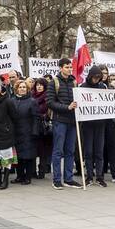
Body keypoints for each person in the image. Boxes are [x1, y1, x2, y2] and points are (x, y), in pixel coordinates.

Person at [47, 58, 80, 190]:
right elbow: (50, 102)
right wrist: (67, 107)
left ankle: (68, 178)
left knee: (70, 151)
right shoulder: (53, 82)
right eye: (67, 67)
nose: (69, 69)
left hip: (72, 121)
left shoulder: (74, 82)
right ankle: (56, 179)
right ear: (60, 68)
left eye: (70, 67)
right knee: (58, 151)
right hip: (60, 120)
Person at [11, 80, 38, 185]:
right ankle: (19, 176)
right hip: (15, 132)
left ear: (27, 89)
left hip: (28, 132)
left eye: (24, 87)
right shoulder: (12, 101)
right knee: (18, 156)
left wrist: (34, 131)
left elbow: (36, 117)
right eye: (20, 87)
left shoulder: (32, 101)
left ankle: (28, 177)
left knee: (27, 156)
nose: (22, 89)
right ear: (16, 88)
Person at [31, 78, 51, 179]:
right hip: (33, 126)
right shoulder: (31, 96)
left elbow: (47, 111)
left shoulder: (47, 97)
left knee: (42, 151)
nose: (39, 86)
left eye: (41, 85)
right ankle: (32, 171)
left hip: (43, 127)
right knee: (33, 149)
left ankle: (42, 171)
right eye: (37, 85)